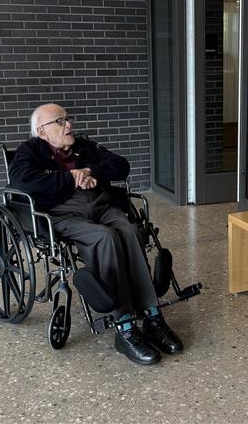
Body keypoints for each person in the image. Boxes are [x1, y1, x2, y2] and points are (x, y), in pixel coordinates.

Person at [9, 103, 182, 366]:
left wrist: (90, 172)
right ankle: (125, 327)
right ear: (42, 131)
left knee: (130, 231)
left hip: (101, 204)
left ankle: (152, 316)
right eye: (60, 121)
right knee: (105, 237)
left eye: (67, 119)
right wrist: (71, 178)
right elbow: (22, 180)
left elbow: (120, 165)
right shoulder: (29, 151)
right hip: (63, 212)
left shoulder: (84, 145)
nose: (69, 125)